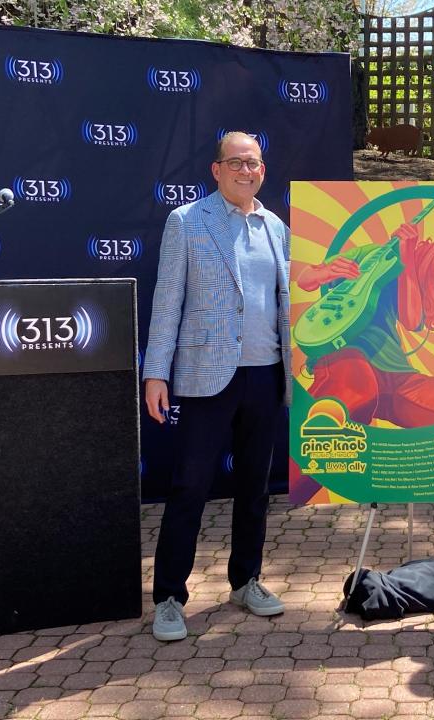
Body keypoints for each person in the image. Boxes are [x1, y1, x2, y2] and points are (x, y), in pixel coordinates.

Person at [143, 131, 292, 641]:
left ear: (262, 170)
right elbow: (167, 302)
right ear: (216, 169)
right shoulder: (186, 222)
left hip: (266, 376)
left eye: (253, 163)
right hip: (206, 378)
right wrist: (155, 372)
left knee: (255, 489)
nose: (245, 171)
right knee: (189, 488)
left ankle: (245, 580)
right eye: (235, 163)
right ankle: (168, 597)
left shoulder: (276, 227)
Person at [296, 222, 434, 428]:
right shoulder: (370, 254)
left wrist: (405, 259)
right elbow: (304, 279)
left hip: (395, 372)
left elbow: (411, 320)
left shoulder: (411, 273)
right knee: (355, 390)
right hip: (347, 352)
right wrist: (323, 273)